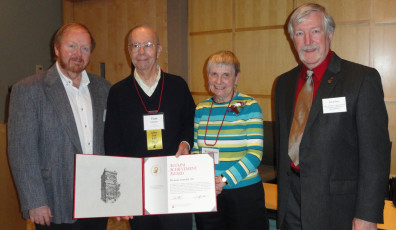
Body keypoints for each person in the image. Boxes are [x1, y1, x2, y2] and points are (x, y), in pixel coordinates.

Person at [274, 3, 391, 230]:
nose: (307, 40)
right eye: (300, 33)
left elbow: (375, 155)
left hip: (337, 208)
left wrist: (367, 215)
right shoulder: (283, 84)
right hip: (291, 203)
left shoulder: (360, 79)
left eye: (315, 31)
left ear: (330, 34)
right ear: (292, 40)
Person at [8, 23, 110, 229]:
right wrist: (35, 200)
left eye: (85, 48)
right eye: (71, 46)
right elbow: (21, 151)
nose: (78, 54)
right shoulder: (28, 90)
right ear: (56, 49)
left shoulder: (104, 89)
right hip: (54, 201)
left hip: (97, 200)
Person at [104, 25, 195, 230]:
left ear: (159, 49)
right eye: (135, 46)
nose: (142, 51)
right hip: (138, 186)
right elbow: (113, 142)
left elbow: (190, 119)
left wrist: (185, 142)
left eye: (148, 45)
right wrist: (119, 189)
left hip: (175, 183)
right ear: (129, 51)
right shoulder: (118, 92)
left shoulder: (177, 85)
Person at [188, 50, 269, 230]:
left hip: (243, 192)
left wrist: (223, 180)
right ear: (207, 76)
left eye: (226, 75)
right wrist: (205, 180)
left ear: (236, 77)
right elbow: (195, 149)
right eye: (214, 74)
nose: (219, 81)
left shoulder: (249, 106)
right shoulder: (201, 108)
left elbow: (255, 154)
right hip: (208, 192)